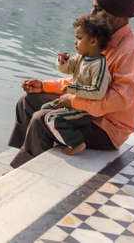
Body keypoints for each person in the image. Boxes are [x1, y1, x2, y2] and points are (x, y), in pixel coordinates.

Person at [8, 0, 134, 169]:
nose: (92, 14)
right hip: (88, 112)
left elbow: (120, 100)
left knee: (42, 119)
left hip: (107, 128)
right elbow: (81, 80)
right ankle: (23, 156)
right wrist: (44, 86)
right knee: (28, 102)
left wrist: (73, 101)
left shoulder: (130, 51)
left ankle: (21, 170)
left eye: (98, 10)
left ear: (117, 15)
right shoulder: (104, 38)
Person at [40, 14, 112, 155]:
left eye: (79, 38)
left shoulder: (99, 65)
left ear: (93, 42)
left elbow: (97, 92)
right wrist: (63, 62)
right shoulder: (81, 57)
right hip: (74, 103)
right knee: (45, 109)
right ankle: (58, 138)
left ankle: (76, 143)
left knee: (52, 118)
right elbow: (68, 69)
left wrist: (72, 89)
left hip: (87, 109)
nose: (75, 42)